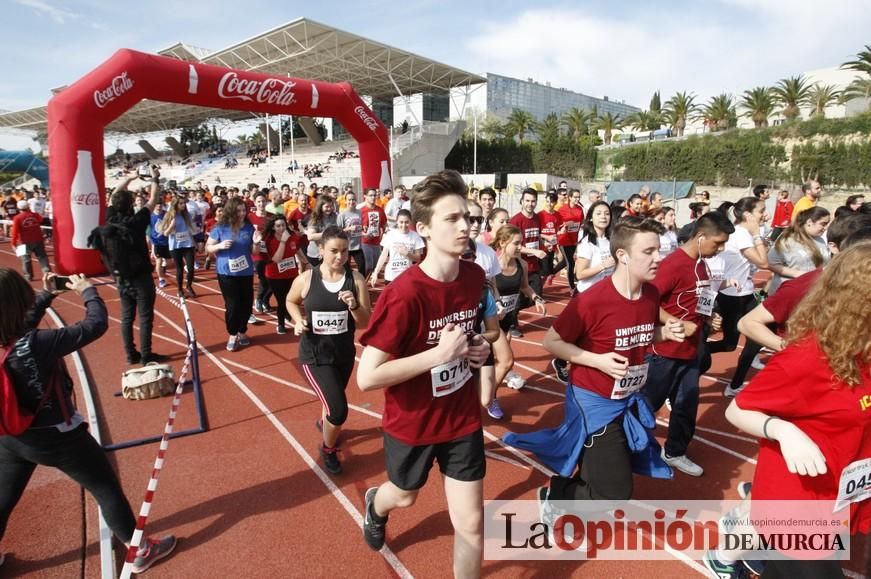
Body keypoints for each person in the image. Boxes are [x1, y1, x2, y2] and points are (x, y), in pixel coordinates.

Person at [357, 170, 491, 578]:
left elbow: (470, 335)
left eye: (467, 217)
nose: (465, 226)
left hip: (461, 417)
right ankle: (376, 502)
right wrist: (436, 355)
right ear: (424, 230)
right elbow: (367, 377)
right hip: (413, 424)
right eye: (452, 219)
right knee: (405, 497)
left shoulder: (473, 278)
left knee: (470, 522)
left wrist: (478, 349)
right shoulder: (405, 294)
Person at [504, 217, 684, 521]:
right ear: (622, 256)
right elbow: (552, 341)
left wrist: (663, 333)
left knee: (600, 470)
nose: (659, 258)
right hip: (593, 401)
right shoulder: (592, 301)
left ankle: (570, 500)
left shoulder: (651, 295)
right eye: (649, 251)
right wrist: (596, 360)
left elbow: (642, 332)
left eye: (659, 250)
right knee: (616, 491)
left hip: (626, 397)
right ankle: (556, 495)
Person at [0, 269, 176, 574]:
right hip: (57, 437)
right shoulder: (40, 343)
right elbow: (95, 325)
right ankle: (140, 551)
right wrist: (87, 290)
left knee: (4, 495)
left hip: (12, 434)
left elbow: (20, 328)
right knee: (105, 486)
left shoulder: (15, 339)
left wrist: (47, 296)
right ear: (18, 303)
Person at [718, 241, 871, 579]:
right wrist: (785, 431)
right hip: (798, 503)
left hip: (844, 494)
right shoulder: (807, 359)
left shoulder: (865, 352)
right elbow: (738, 410)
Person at [644, 212, 735, 477]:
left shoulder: (702, 265)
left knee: (686, 406)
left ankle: (674, 452)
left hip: (692, 351)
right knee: (647, 406)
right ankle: (630, 450)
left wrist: (711, 318)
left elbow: (700, 301)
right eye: (717, 243)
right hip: (664, 354)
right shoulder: (672, 265)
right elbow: (647, 301)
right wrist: (675, 322)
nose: (721, 249)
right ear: (701, 237)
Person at [288, 226, 371, 474]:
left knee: (331, 401)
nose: (340, 257)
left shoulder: (355, 279)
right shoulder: (307, 278)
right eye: (334, 251)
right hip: (314, 355)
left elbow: (365, 322)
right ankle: (327, 448)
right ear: (321, 249)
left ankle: (326, 422)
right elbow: (291, 301)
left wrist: (354, 305)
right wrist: (297, 320)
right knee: (338, 409)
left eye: (345, 251)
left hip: (343, 354)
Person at [100, 171, 167, 366]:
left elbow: (115, 195)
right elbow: (154, 198)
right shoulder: (137, 221)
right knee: (145, 316)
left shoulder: (110, 217)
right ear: (131, 205)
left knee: (127, 316)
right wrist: (154, 178)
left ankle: (130, 354)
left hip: (121, 276)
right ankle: (146, 355)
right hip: (141, 276)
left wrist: (130, 178)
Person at [707, 197, 769, 397]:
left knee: (758, 333)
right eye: (761, 211)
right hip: (730, 295)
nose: (764, 215)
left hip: (747, 292)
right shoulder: (742, 234)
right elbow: (763, 263)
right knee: (729, 344)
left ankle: (734, 385)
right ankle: (694, 356)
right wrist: (757, 235)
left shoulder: (744, 234)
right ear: (748, 215)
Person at [489, 225, 547, 418]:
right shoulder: (492, 264)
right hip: (490, 321)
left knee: (498, 362)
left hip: (509, 319)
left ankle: (486, 394)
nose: (520, 247)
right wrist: (495, 306)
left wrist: (536, 298)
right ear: (503, 242)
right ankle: (490, 397)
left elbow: (524, 287)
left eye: (521, 243)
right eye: (516, 243)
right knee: (503, 361)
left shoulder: (521, 264)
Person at [205, 197, 256, 352]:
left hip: (245, 271)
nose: (241, 213)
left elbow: (254, 251)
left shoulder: (249, 228)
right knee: (233, 304)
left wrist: (257, 242)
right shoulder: (220, 227)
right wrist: (219, 245)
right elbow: (208, 247)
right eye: (238, 210)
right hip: (226, 272)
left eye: (243, 210)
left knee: (247, 303)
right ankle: (233, 334)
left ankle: (242, 330)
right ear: (231, 211)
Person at [766, 206, 830, 296]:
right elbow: (770, 263)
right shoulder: (788, 240)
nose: (826, 228)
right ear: (809, 222)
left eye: (827, 224)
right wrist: (797, 273)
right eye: (823, 224)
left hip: (811, 293)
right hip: (788, 293)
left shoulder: (821, 241)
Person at [509, 189, 545, 336]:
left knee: (536, 295)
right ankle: (511, 324)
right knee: (517, 297)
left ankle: (511, 312)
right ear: (522, 202)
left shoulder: (537, 218)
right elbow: (513, 245)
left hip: (534, 265)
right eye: (527, 201)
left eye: (533, 201)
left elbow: (537, 236)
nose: (530, 204)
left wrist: (544, 245)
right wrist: (535, 252)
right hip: (519, 264)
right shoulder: (515, 220)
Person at [262, 215, 306, 334]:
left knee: (292, 298)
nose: (282, 228)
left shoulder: (291, 237)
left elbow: (297, 249)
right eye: (278, 226)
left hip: (291, 273)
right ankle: (280, 324)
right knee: (282, 301)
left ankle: (288, 313)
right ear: (273, 228)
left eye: (283, 225)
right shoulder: (270, 241)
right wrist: (283, 241)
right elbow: (277, 259)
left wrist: (306, 261)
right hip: (275, 275)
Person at [368, 209, 424, 286]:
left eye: (406, 222)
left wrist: (407, 253)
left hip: (407, 275)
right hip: (391, 276)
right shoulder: (390, 235)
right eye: (401, 222)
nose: (404, 225)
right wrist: (376, 272)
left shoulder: (415, 236)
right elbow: (383, 255)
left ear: (410, 222)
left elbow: (418, 258)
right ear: (397, 221)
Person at [158, 196, 196, 298]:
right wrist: (171, 226)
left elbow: (191, 228)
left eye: (184, 203)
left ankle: (188, 285)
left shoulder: (186, 215)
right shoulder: (169, 215)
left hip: (188, 244)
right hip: (175, 246)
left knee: (191, 268)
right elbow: (165, 233)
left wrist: (194, 234)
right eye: (181, 203)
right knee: (179, 269)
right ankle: (179, 289)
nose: (183, 205)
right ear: (175, 205)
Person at [11, 200, 50, 281]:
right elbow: (41, 220)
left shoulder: (17, 218)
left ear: (18, 208)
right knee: (42, 257)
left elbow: (14, 232)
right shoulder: (35, 215)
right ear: (28, 206)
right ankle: (47, 272)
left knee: (25, 260)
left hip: (24, 242)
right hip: (38, 239)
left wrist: (13, 244)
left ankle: (28, 276)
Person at [554, 189, 584, 291]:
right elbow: (556, 224)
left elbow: (581, 223)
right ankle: (572, 287)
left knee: (565, 262)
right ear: (570, 197)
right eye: (575, 197)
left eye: (578, 197)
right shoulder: (562, 209)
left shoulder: (580, 209)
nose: (577, 199)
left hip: (574, 239)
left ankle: (550, 273)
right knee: (571, 263)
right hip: (564, 239)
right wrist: (566, 224)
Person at [538, 192, 564, 287]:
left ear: (556, 202)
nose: (549, 204)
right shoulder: (540, 215)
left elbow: (558, 229)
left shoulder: (557, 215)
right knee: (544, 271)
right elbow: (537, 232)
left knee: (548, 271)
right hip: (542, 247)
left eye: (552, 202)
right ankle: (537, 290)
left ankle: (541, 288)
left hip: (552, 246)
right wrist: (546, 238)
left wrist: (560, 233)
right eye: (547, 201)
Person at [336, 191, 366, 275]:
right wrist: (349, 228)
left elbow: (361, 226)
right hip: (346, 247)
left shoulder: (359, 212)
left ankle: (361, 284)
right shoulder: (342, 215)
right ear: (345, 201)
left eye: (353, 200)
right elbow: (337, 231)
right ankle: (348, 285)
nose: (351, 202)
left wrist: (364, 229)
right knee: (346, 269)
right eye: (349, 200)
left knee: (362, 266)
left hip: (357, 246)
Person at [361, 188, 388, 279]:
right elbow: (357, 228)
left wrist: (384, 232)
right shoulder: (361, 211)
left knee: (376, 266)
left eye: (374, 195)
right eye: (370, 195)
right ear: (365, 196)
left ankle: (370, 284)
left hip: (376, 242)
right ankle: (364, 284)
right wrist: (364, 234)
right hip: (365, 242)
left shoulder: (380, 210)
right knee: (369, 265)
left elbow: (384, 225)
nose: (373, 197)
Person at [305, 196, 338, 269]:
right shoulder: (315, 219)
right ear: (320, 206)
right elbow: (310, 237)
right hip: (316, 254)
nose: (329, 209)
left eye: (331, 206)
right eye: (326, 206)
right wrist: (327, 233)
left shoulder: (334, 216)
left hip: (329, 252)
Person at [149, 201, 170, 288]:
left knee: (169, 262)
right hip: (156, 242)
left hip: (167, 241)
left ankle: (164, 267)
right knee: (159, 261)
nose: (158, 207)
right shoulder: (150, 217)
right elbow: (149, 231)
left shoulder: (167, 214)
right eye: (156, 205)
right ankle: (161, 279)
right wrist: (152, 246)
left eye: (160, 205)